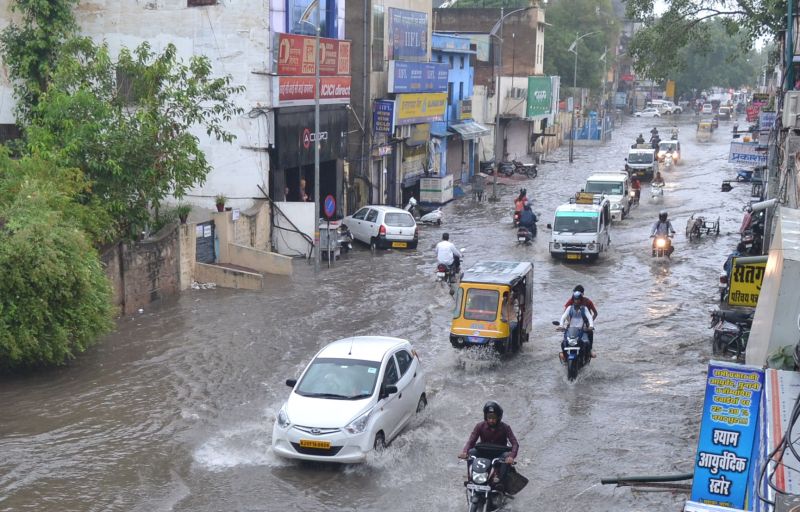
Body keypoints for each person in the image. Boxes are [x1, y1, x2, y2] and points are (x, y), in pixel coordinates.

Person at [459, 401, 519, 487]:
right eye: (489, 417)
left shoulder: (505, 428)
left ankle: (500, 482)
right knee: (471, 452)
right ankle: (471, 478)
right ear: (485, 417)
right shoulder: (479, 426)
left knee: (506, 455)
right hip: (483, 452)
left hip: (499, 454)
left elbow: (515, 444)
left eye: (493, 417)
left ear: (499, 417)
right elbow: (471, 441)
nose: (491, 420)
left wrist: (511, 457)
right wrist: (465, 452)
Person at [559, 291, 595, 359]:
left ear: (580, 300)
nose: (576, 301)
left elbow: (590, 317)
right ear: (573, 300)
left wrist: (591, 326)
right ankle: (564, 355)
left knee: (586, 343)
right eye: (575, 299)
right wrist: (561, 325)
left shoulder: (584, 308)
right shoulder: (569, 308)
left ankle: (588, 355)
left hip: (582, 330)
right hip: (570, 330)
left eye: (578, 299)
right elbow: (563, 317)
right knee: (563, 343)